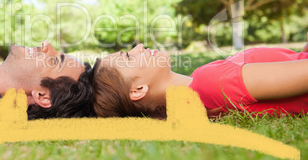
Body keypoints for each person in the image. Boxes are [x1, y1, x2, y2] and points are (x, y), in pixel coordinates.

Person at [92, 37, 308, 119]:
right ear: (137, 90)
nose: (139, 47)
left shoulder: (201, 81)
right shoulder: (209, 83)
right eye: (129, 57)